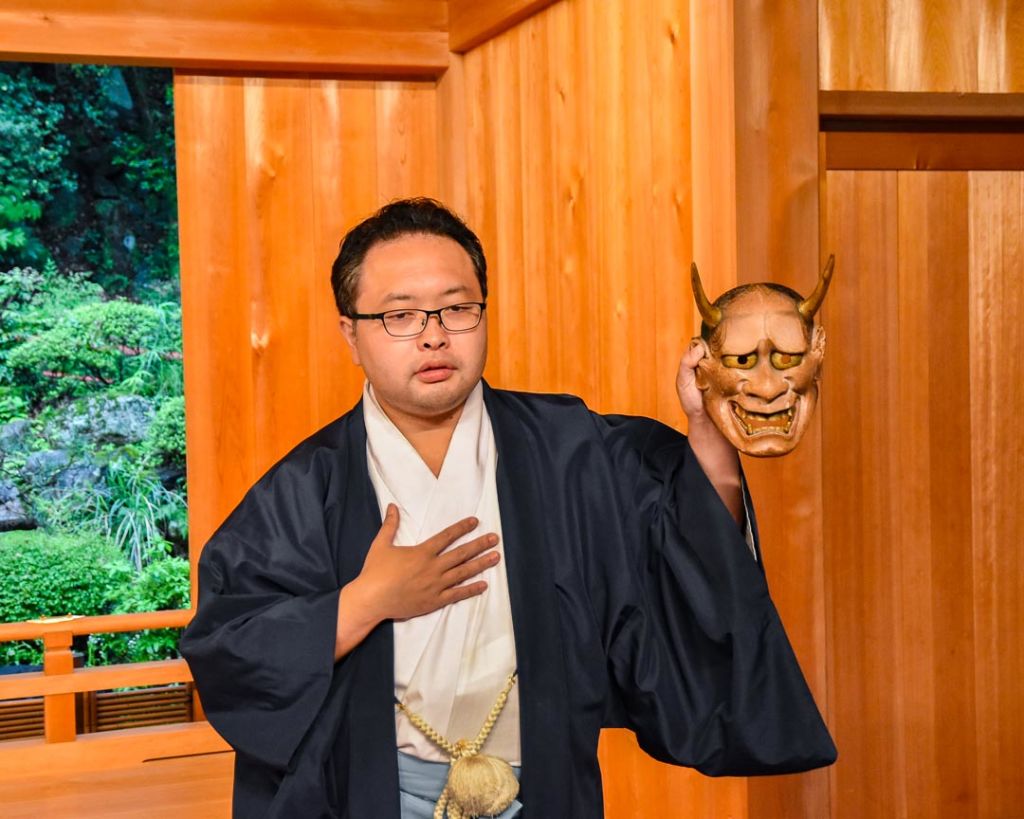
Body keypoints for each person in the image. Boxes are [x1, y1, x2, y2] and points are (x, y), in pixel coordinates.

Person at [181, 198, 836, 819]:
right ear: (350, 332)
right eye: (401, 316)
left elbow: (687, 558)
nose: (434, 337)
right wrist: (363, 602)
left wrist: (708, 433)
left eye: (457, 308)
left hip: (540, 788)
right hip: (374, 797)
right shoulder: (304, 488)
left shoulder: (571, 449)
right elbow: (228, 651)